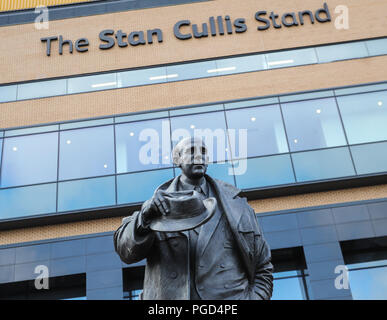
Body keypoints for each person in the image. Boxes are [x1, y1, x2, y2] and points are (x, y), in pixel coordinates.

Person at [114, 137, 273, 299]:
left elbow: (263, 266)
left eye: (203, 152)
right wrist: (144, 217)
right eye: (191, 151)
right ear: (177, 159)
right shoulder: (157, 207)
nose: (198, 157)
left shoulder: (238, 206)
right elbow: (125, 251)